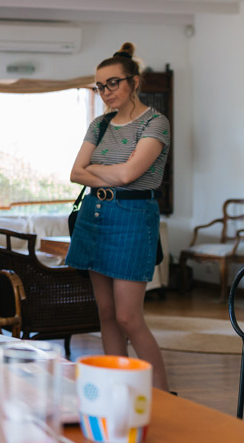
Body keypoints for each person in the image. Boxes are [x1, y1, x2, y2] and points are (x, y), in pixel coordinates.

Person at [66, 42, 170, 390]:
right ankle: (116, 388)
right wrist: (108, 170)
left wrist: (97, 168)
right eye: (99, 85)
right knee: (106, 315)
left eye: (113, 83)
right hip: (95, 214)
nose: (105, 91)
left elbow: (129, 176)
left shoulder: (156, 123)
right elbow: (75, 173)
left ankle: (162, 394)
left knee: (129, 316)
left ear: (134, 82)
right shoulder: (100, 123)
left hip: (133, 218)